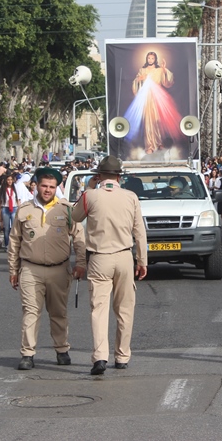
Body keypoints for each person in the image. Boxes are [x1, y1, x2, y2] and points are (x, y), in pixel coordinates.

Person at [71, 156, 147, 375]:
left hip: (99, 257)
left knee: (99, 309)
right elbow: (139, 231)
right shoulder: (130, 197)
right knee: (125, 309)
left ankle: (100, 357)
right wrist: (142, 260)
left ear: (99, 176)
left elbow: (75, 216)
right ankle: (122, 356)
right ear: (118, 177)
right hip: (124, 256)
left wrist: (89, 188)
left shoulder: (91, 196)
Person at [9, 168, 86, 371]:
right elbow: (14, 241)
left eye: (51, 187)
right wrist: (13, 270)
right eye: (44, 185)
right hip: (30, 269)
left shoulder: (66, 209)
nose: (47, 190)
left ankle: (62, 350)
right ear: (36, 185)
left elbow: (79, 237)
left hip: (59, 270)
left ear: (56, 188)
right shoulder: (24, 210)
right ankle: (27, 354)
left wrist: (81, 263)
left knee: (58, 312)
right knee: (30, 312)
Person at [124, 51, 183, 156]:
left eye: (152, 58)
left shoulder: (159, 70)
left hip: (157, 98)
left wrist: (164, 69)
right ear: (146, 59)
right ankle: (150, 145)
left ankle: (159, 143)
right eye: (149, 58)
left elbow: (167, 82)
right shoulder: (142, 70)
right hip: (147, 98)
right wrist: (139, 79)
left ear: (155, 59)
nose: (150, 60)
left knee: (158, 121)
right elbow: (136, 83)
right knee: (148, 122)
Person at [0, 174, 20, 249]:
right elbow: (0, 203)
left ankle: (13, 244)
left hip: (14, 208)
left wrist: (19, 209)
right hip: (5, 208)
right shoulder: (3, 189)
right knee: (6, 228)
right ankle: (7, 244)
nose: (10, 181)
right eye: (8, 180)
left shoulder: (15, 188)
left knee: (14, 227)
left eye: (11, 180)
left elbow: (18, 200)